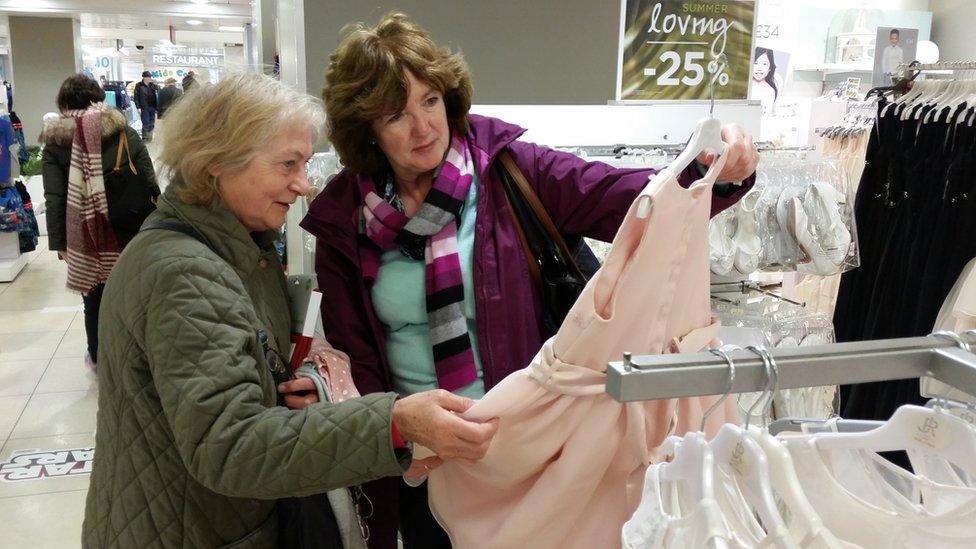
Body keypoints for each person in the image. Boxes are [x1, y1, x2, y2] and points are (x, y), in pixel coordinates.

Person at [300, 12, 760, 549]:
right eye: (395, 115)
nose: (423, 126)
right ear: (368, 130)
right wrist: (356, 408)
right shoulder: (345, 221)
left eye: (429, 101)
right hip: (421, 456)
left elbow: (631, 198)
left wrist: (712, 170)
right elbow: (354, 354)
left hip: (524, 449)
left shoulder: (511, 171)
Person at [81, 72, 498, 549]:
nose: (302, 185)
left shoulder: (234, 250)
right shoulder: (185, 274)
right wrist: (394, 424)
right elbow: (232, 446)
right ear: (217, 161)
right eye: (287, 164)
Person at [41, 73, 159, 372]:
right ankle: (140, 356)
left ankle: (99, 358)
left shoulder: (56, 142)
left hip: (86, 234)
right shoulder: (122, 131)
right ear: (99, 97)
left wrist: (60, 242)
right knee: (136, 293)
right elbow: (148, 177)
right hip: (130, 225)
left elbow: (55, 197)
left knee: (93, 297)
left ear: (64, 103)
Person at [750, 47, 778, 115]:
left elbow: (766, 116)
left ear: (770, 68)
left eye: (764, 64)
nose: (759, 68)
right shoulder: (744, 86)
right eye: (755, 63)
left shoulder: (770, 91)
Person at [133, 70, 159, 141]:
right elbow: (136, 97)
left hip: (152, 106)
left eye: (150, 77)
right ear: (144, 77)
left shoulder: (153, 85)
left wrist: (156, 84)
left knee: (152, 122)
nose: (149, 79)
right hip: (144, 107)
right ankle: (144, 138)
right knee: (145, 122)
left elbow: (158, 92)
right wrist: (138, 107)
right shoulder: (139, 85)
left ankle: (149, 137)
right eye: (147, 77)